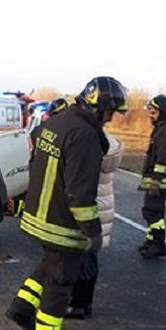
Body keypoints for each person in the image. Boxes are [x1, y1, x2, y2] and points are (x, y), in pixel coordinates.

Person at [5, 76, 128, 330]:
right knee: (61, 282)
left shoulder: (57, 122)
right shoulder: (85, 137)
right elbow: (80, 194)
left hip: (39, 214)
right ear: (99, 107)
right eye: (111, 112)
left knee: (49, 266)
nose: (110, 119)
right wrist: (93, 232)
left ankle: (21, 308)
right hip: (60, 223)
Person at [65, 130, 125, 319]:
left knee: (82, 260)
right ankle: (84, 303)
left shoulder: (90, 145)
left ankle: (78, 305)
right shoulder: (108, 144)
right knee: (89, 258)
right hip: (102, 207)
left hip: (90, 206)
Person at [137, 94, 166, 258]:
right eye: (150, 112)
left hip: (159, 181)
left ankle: (157, 245)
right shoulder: (161, 129)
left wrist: (156, 181)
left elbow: (163, 157)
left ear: (162, 112)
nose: (150, 116)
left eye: (153, 112)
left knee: (153, 213)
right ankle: (151, 242)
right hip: (156, 179)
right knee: (151, 212)